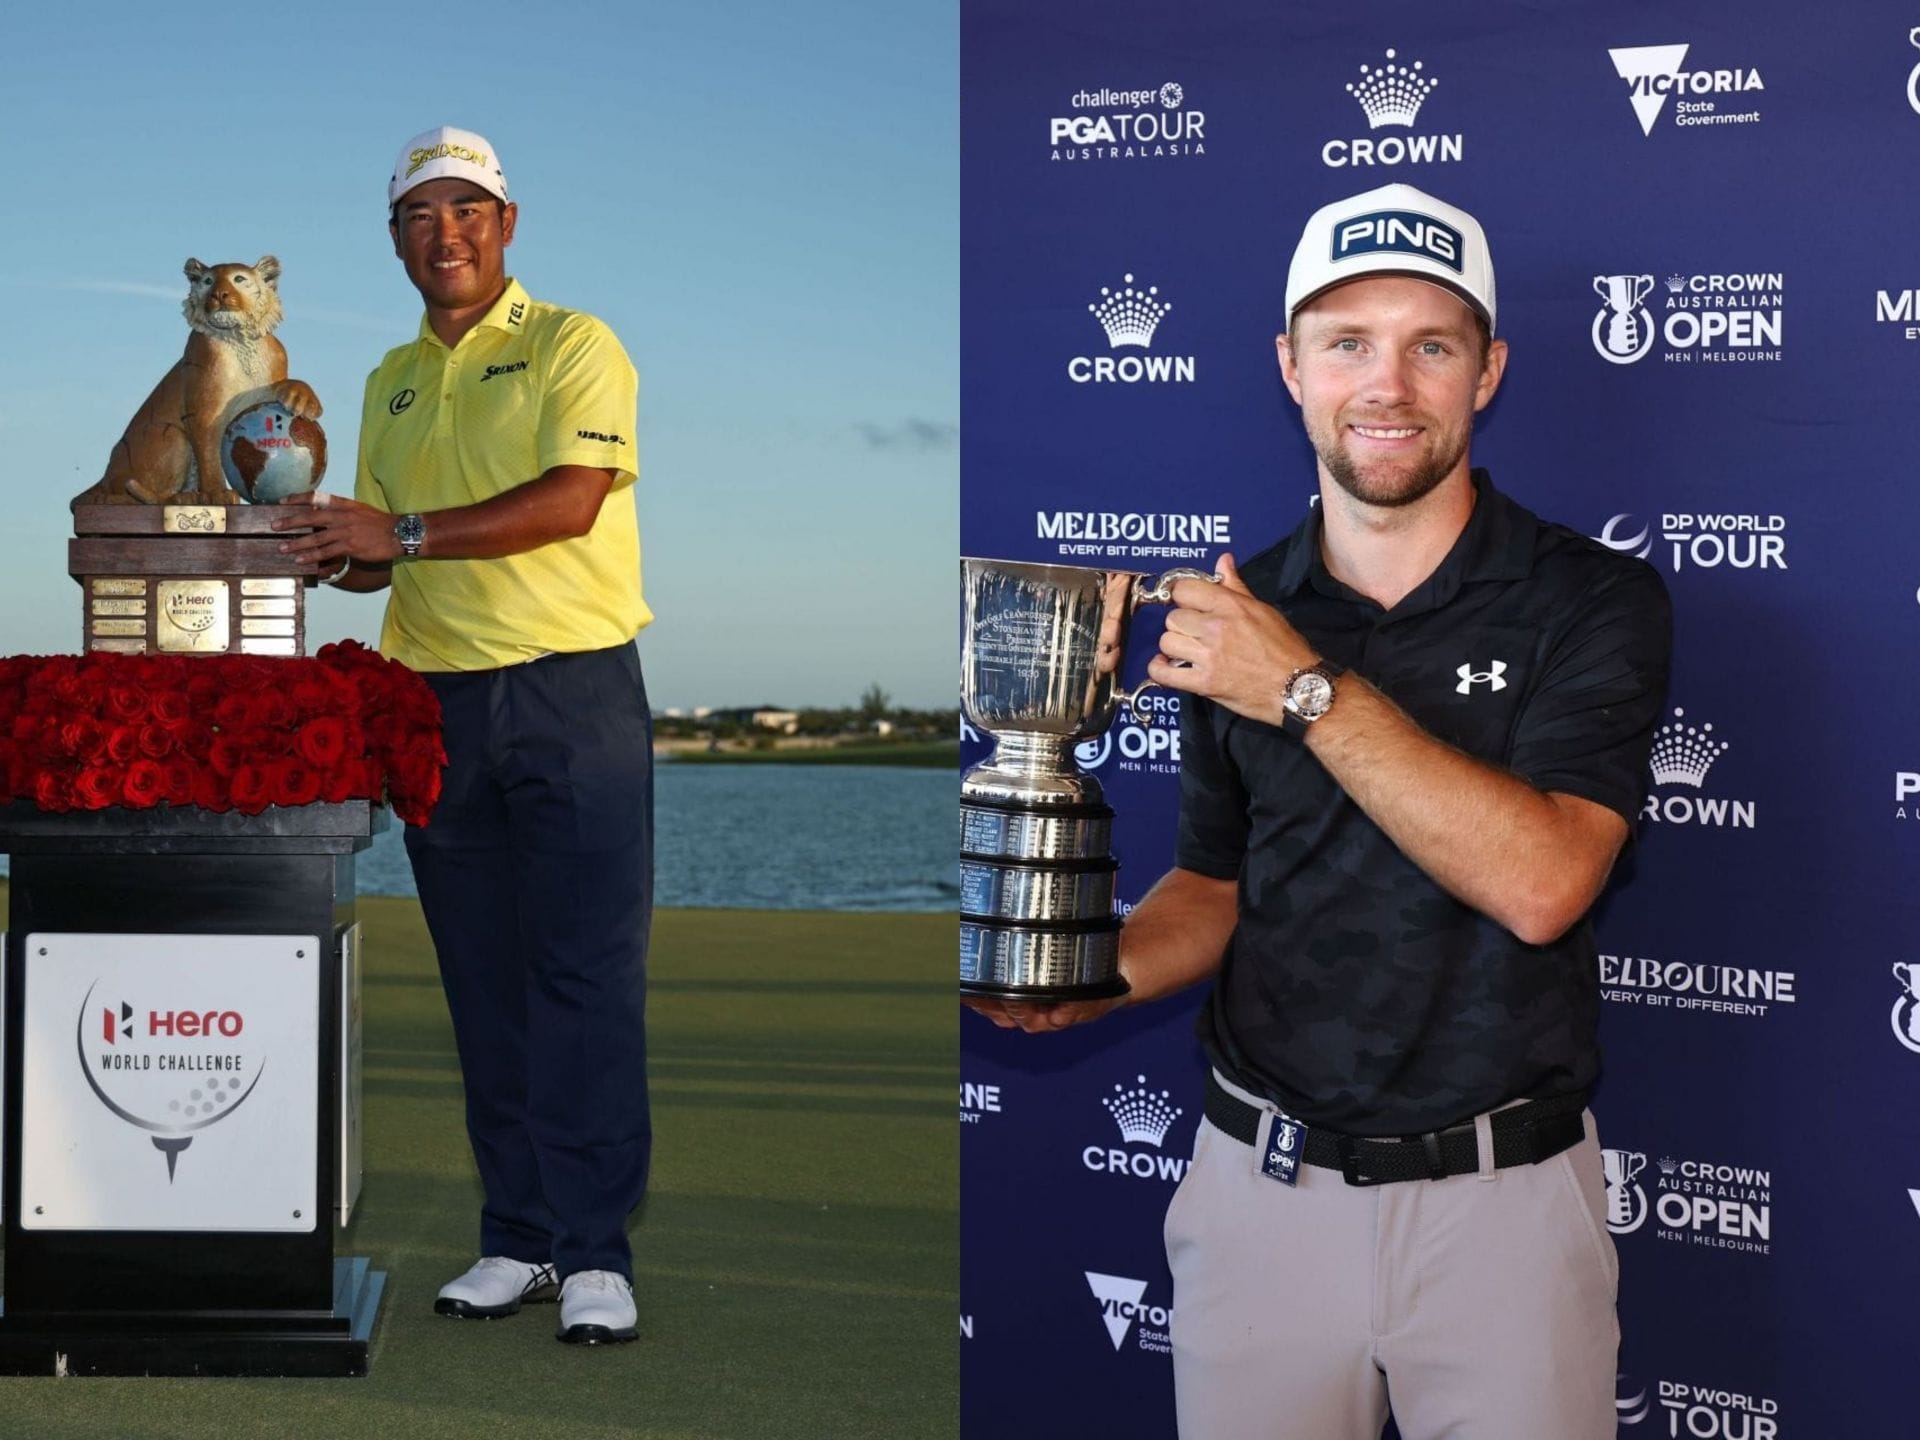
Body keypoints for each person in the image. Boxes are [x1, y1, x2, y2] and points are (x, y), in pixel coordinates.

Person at [972, 183, 1671, 1438]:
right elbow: (1218, 884)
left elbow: (1545, 881)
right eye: (1348, 343)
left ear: (1488, 371)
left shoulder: (1592, 598)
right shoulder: (1245, 605)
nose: (1387, 385)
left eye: (1431, 346)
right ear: (1290, 368)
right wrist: (1095, 973)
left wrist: (1298, 688)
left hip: (1502, 1205)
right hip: (1262, 1192)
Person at [277, 126, 653, 1346]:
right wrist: (325, 539)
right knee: (484, 985)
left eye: (468, 210)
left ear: (507, 223)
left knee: (583, 981)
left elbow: (571, 499)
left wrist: (405, 538)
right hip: (435, 705)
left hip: (571, 694)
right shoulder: (387, 378)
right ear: (395, 240)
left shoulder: (572, 343)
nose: (446, 233)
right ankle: (519, 1239)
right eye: (420, 216)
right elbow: (380, 547)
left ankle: (596, 1252)